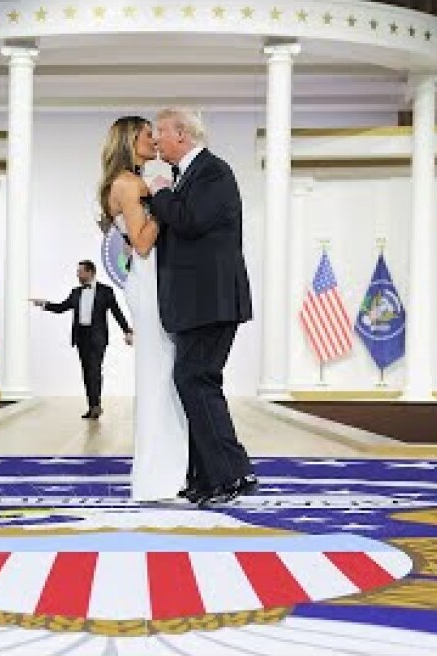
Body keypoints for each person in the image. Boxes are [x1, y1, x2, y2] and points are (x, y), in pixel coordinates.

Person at [146, 107, 256, 507]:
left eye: (160, 131)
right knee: (198, 383)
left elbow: (190, 221)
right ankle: (210, 479)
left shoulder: (212, 171)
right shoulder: (192, 174)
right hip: (200, 304)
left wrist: (159, 194)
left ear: (183, 135)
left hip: (212, 302)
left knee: (195, 381)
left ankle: (230, 474)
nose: (156, 140)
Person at [97, 115, 188, 501]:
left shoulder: (127, 183)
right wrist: (166, 199)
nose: (153, 140)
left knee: (164, 375)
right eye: (147, 135)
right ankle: (159, 476)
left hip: (150, 281)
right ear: (129, 140)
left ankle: (168, 470)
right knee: (159, 376)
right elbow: (142, 242)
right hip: (149, 281)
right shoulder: (130, 184)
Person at [32, 261, 133, 419]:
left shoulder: (105, 291)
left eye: (80, 272)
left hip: (98, 336)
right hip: (81, 336)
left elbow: (116, 312)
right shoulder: (75, 292)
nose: (77, 274)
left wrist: (127, 330)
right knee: (87, 372)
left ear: (90, 272)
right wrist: (45, 305)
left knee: (95, 370)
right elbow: (62, 307)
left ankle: (96, 405)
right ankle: (92, 405)